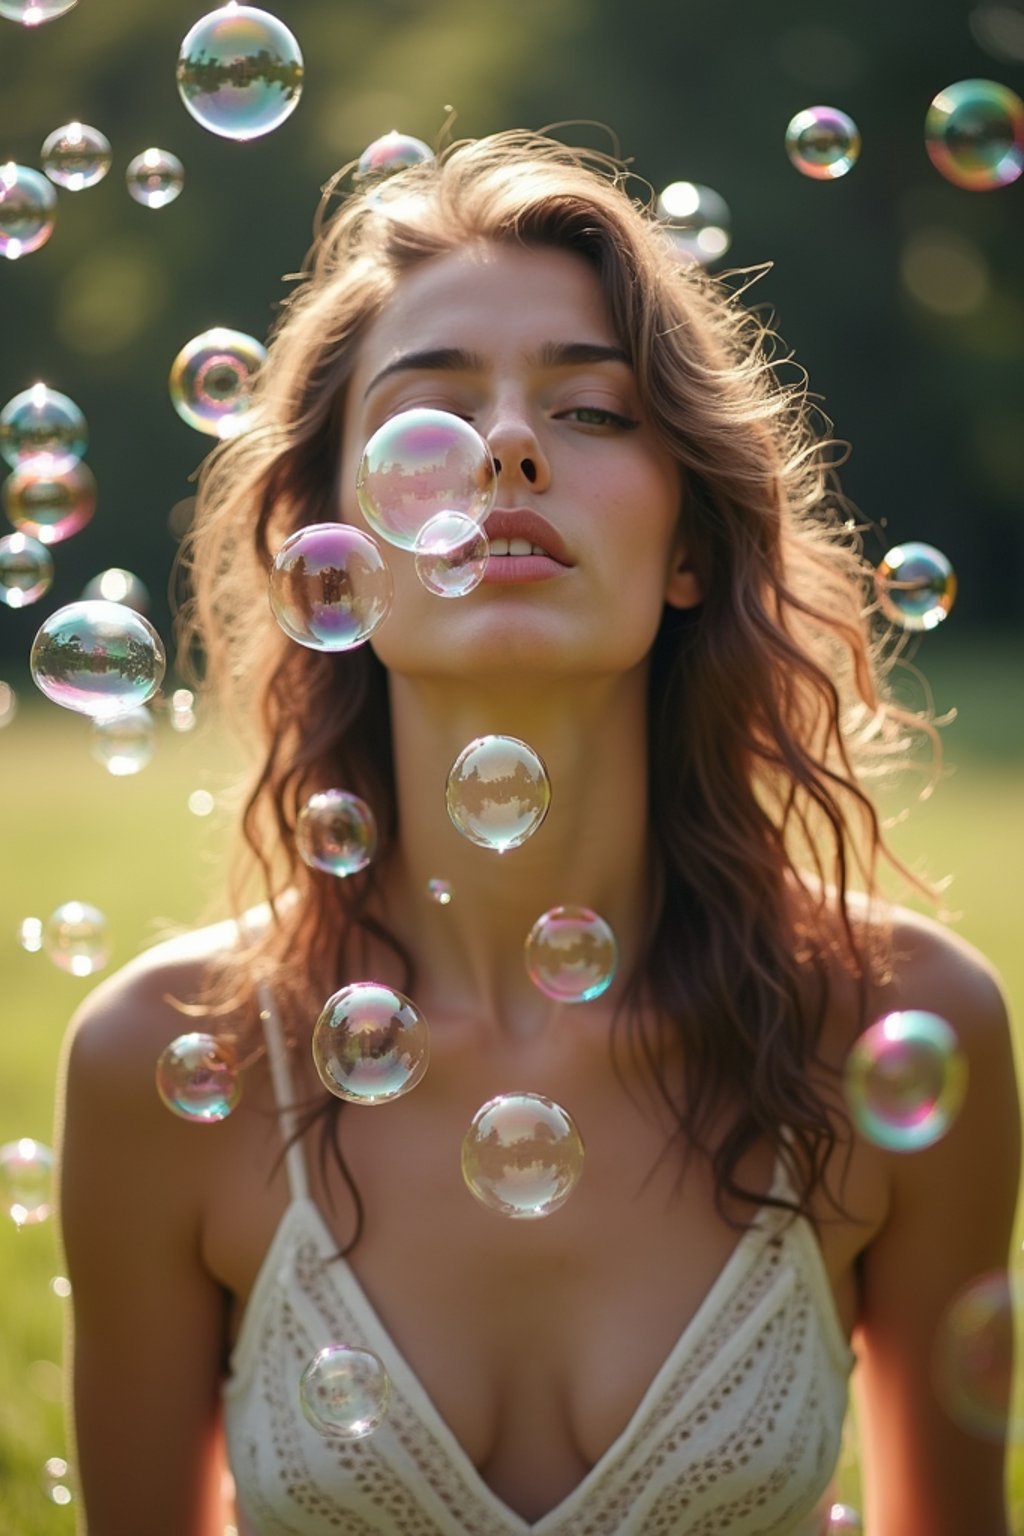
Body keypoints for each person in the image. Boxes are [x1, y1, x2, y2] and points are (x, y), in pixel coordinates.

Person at [56, 130, 1020, 1536]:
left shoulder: (900, 1023)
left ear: (693, 545)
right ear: (330, 541)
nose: (505, 446)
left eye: (595, 412)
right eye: (430, 414)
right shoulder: (168, 1059)